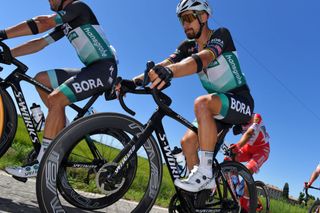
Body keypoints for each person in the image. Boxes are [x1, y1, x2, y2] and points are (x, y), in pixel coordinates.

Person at [130, 0, 254, 192]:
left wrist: (172, 72)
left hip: (240, 101)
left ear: (204, 17)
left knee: (201, 103)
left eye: (189, 17)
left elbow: (204, 59)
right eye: (182, 20)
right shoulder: (187, 47)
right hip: (216, 106)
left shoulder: (221, 35)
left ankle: (204, 171)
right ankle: (201, 194)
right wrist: (133, 81)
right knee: (187, 142)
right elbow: (164, 64)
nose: (185, 24)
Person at [1, 0, 118, 178]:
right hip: (91, 68)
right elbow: (40, 42)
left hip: (103, 69)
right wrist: (7, 53)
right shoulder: (65, 23)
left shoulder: (78, 7)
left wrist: (2, 34)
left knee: (56, 98)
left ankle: (43, 163)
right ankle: (61, 132)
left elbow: (44, 23)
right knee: (41, 80)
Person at [227, 113, 270, 212]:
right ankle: (237, 192)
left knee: (247, 171)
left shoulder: (256, 117)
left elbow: (250, 132)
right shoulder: (240, 120)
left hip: (262, 149)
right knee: (229, 159)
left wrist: (238, 145)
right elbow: (231, 129)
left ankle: (245, 204)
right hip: (248, 148)